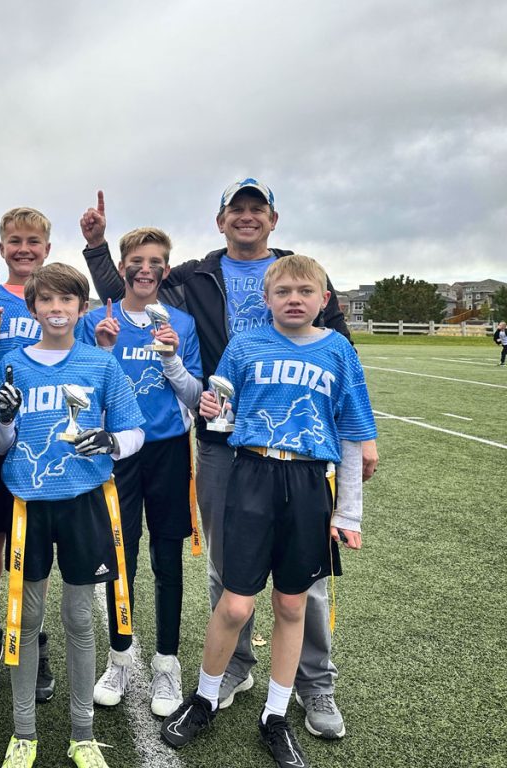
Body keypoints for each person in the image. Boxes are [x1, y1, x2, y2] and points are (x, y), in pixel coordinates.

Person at [81, 182, 378, 739]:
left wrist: (361, 436)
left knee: (303, 586)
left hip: (302, 457)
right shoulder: (195, 275)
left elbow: (341, 351)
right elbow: (134, 289)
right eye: (235, 209)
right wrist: (98, 247)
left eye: (256, 209)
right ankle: (232, 669)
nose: (246, 217)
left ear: (273, 219)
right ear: (220, 221)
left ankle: (315, 684)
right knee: (227, 569)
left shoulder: (304, 273)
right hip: (224, 442)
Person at [161, 254, 377, 768]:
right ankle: (205, 697)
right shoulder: (246, 344)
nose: (294, 299)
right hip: (251, 474)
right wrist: (213, 409)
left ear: (325, 300)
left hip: (307, 482)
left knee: (292, 604)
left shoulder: (338, 350)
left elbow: (351, 434)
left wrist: (348, 512)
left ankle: (276, 715)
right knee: (235, 604)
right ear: (267, 300)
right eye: (284, 292)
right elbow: (223, 408)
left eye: (306, 291)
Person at [0, 263, 145, 768]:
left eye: (67, 301)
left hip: (84, 502)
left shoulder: (101, 365)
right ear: (33, 307)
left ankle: (82, 731)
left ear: (82, 307)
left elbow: (133, 430)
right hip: (28, 507)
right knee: (27, 616)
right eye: (47, 301)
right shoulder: (12, 362)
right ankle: (24, 731)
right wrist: (5, 420)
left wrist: (113, 441)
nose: (57, 310)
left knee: (79, 617)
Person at [78, 227, 202, 717]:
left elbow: (196, 398)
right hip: (117, 455)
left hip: (169, 450)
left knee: (166, 557)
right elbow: (82, 393)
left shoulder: (183, 324)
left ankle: (167, 665)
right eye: (136, 260)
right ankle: (121, 657)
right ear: (123, 267)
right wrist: (104, 353)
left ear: (166, 270)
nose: (145, 268)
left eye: (155, 261)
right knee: (119, 554)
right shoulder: (96, 320)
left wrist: (170, 357)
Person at [0, 207, 52, 701]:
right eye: (15, 241)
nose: (24, 249)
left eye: (33, 241)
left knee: (37, 540)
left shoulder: (57, 297)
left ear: (46, 248)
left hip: (43, 437)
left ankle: (33, 633)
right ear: (1, 249)